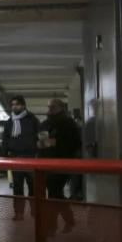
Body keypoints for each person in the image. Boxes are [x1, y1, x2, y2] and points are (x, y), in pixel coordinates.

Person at [38, 98, 82, 234]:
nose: (49, 109)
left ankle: (52, 226)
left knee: (54, 193)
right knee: (55, 193)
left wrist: (54, 143)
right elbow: (41, 141)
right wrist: (43, 144)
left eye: (53, 107)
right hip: (46, 162)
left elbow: (74, 143)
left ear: (61, 108)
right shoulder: (45, 123)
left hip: (62, 162)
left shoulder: (69, 124)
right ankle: (67, 221)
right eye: (49, 107)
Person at [2, 96, 41, 221]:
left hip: (31, 158)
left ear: (23, 105)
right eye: (12, 105)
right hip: (15, 159)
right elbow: (5, 140)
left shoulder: (32, 120)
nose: (14, 107)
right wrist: (5, 156)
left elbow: (40, 137)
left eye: (17, 104)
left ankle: (35, 211)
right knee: (17, 188)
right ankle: (19, 213)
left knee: (33, 187)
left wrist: (39, 153)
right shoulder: (9, 122)